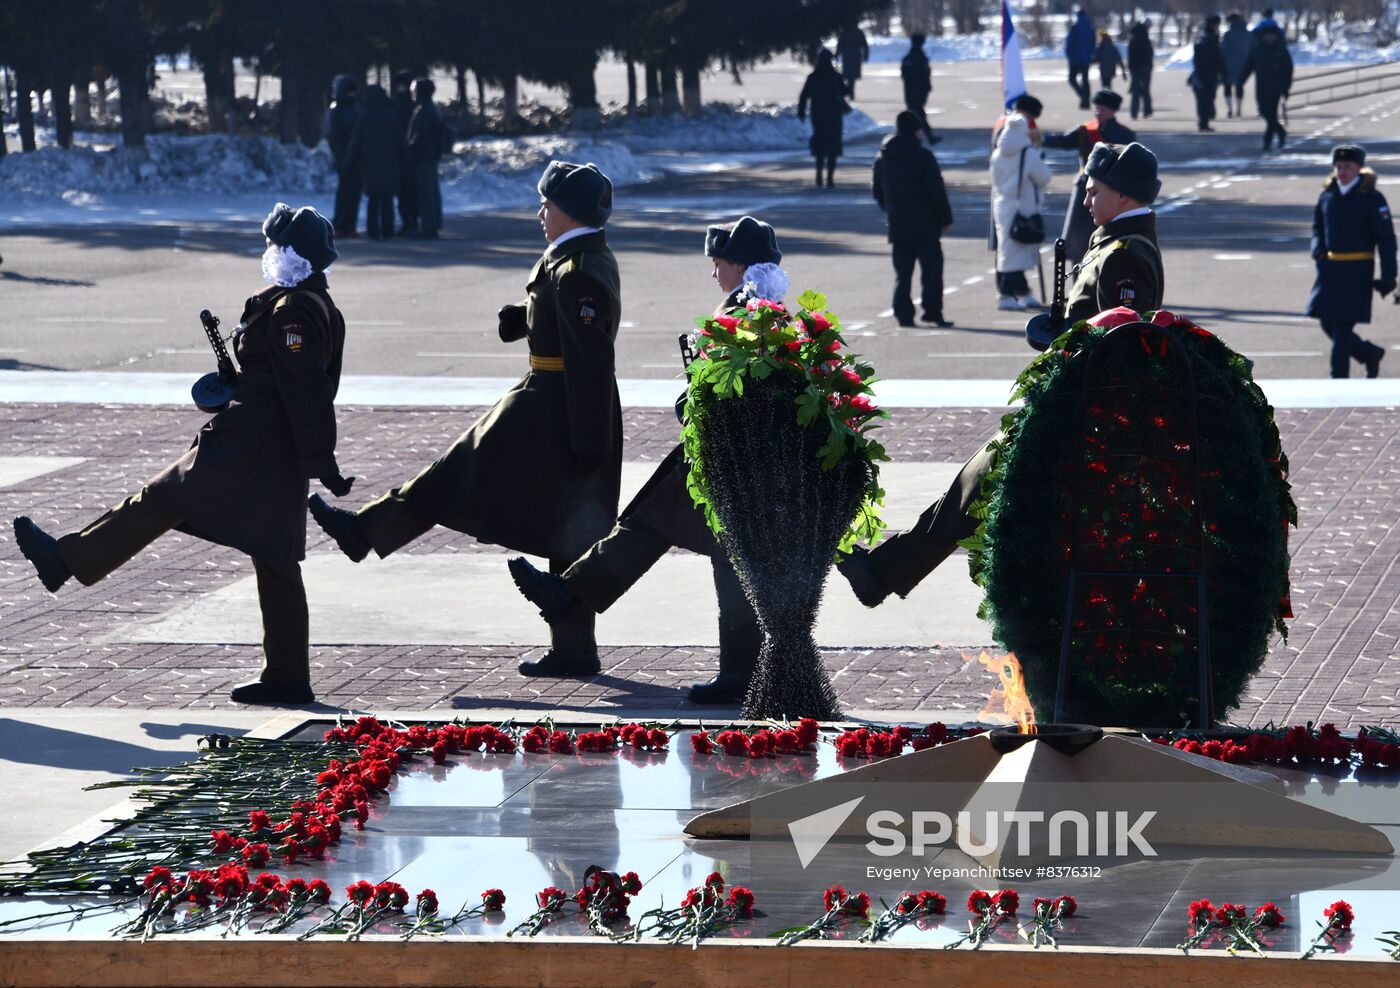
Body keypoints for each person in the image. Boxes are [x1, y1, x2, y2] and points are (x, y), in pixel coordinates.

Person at [13, 205, 348, 706]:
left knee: (163, 498)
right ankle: (287, 677)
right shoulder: (296, 302)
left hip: (251, 445)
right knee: (274, 556)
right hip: (266, 445)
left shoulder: (294, 310)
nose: (269, 253)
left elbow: (306, 392)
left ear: (293, 254)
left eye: (276, 247)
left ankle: (68, 559)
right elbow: (285, 382)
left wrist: (324, 462)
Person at [308, 161, 622, 678]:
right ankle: (573, 649)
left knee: (463, 476)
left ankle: (364, 532)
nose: (540, 212)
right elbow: (567, 320)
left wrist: (590, 439)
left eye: (548, 204)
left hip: (557, 404)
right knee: (561, 522)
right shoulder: (576, 258)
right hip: (553, 400)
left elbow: (590, 358)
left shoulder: (579, 270)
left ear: (570, 212)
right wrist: (524, 318)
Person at [836, 142, 1165, 607]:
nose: (1087, 200)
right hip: (1076, 402)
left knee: (983, 482)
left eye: (1094, 191)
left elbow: (1125, 346)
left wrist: (1067, 341)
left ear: (1125, 197)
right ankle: (882, 572)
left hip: (1087, 413)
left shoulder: (1125, 254)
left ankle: (881, 574)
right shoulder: (1115, 243)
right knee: (977, 479)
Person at [508, 217, 784, 703]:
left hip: (729, 463)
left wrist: (691, 396)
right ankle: (738, 672)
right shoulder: (766, 304)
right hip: (735, 460)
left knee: (657, 530)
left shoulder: (744, 310)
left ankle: (568, 596)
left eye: (717, 263)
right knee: (664, 534)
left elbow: (730, 392)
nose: (714, 272)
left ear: (738, 264)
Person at [1306, 145, 1396, 379]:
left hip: (1357, 271)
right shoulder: (1328, 195)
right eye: (1338, 166)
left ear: (1359, 168)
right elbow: (1318, 228)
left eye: (1348, 167)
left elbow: (1386, 239)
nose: (1342, 171)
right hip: (1330, 270)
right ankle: (1369, 354)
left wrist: (1389, 276)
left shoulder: (1372, 198)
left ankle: (1339, 380)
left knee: (1342, 327)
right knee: (1327, 323)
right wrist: (1318, 250)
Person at [874, 110, 954, 328]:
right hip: (926, 224)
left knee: (903, 273)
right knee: (931, 272)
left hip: (898, 224)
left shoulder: (883, 157)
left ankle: (903, 314)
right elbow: (936, 191)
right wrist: (945, 217)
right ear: (916, 130)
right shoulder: (923, 156)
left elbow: (877, 190)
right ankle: (932, 311)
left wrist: (890, 210)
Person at [1041, 88, 1136, 264]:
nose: (1097, 112)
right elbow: (1063, 141)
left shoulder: (1125, 134)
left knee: (1108, 232)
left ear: (1112, 110)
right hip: (1085, 188)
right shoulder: (1085, 130)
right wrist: (1040, 138)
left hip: (1111, 189)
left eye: (1102, 109)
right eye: (1096, 108)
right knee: (1076, 236)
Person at [991, 95, 1051, 311]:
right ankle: (1007, 295)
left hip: (1003, 205)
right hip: (1023, 207)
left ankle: (1024, 293)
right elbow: (1044, 177)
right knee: (1016, 254)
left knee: (1009, 250)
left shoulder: (998, 153)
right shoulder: (1028, 153)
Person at [348, 84, 409, 241]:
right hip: (390, 163)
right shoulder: (391, 116)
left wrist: (351, 161)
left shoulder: (364, 117)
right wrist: (404, 159)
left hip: (369, 164)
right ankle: (388, 230)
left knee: (373, 199)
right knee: (387, 199)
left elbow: (356, 143)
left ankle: (373, 230)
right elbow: (401, 141)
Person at [797, 50, 850, 189]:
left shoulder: (812, 77)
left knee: (820, 144)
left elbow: (803, 96)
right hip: (834, 115)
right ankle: (830, 178)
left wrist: (801, 111)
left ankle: (819, 175)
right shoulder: (835, 76)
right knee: (833, 145)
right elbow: (845, 92)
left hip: (818, 115)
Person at [1240, 23, 1293, 150]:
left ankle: (1267, 140)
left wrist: (1286, 88)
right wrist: (1240, 80)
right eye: (1266, 35)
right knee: (1264, 112)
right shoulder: (1258, 50)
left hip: (1276, 87)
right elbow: (1249, 66)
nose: (1269, 38)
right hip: (1261, 87)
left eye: (1271, 35)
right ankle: (1281, 132)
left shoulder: (1281, 51)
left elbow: (1288, 70)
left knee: (1272, 113)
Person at [406, 78, 447, 239]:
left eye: (414, 90)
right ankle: (432, 224)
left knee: (426, 193)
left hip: (423, 156)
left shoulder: (424, 110)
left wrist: (410, 148)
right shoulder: (432, 109)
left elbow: (420, 136)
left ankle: (428, 227)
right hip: (431, 155)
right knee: (431, 191)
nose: (412, 93)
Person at [324, 74, 360, 238]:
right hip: (343, 158)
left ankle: (350, 225)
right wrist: (341, 158)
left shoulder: (355, 108)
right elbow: (334, 137)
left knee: (355, 193)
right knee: (344, 192)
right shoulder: (335, 109)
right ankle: (340, 224)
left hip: (355, 158)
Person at [391, 70, 420, 237]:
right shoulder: (395, 104)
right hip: (400, 154)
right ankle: (407, 220)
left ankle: (413, 220)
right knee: (402, 192)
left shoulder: (413, 105)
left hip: (411, 154)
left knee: (412, 191)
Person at [900, 33, 935, 141]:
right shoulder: (918, 57)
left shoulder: (910, 57)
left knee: (915, 113)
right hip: (916, 89)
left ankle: (914, 136)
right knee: (916, 113)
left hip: (912, 89)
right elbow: (922, 74)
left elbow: (904, 74)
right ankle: (924, 136)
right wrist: (926, 84)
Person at [1191, 15, 1223, 132]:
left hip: (1200, 71)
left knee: (1202, 98)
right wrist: (1222, 70)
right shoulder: (1211, 38)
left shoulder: (1201, 35)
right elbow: (1217, 57)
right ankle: (1204, 122)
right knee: (1207, 98)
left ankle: (1203, 121)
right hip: (1209, 73)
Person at [1221, 12, 1251, 118]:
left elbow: (1223, 50)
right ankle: (1239, 108)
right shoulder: (1247, 33)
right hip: (1244, 64)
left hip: (1229, 64)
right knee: (1239, 86)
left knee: (1227, 86)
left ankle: (1230, 109)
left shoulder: (1228, 34)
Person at [1065, 10, 1096, 110]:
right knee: (1085, 80)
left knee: (1072, 79)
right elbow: (1093, 44)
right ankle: (1086, 102)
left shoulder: (1074, 28)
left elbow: (1069, 44)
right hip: (1086, 59)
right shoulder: (1090, 28)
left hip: (1075, 59)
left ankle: (1083, 96)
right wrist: (1091, 55)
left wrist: (1069, 55)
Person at [1127, 20, 1154, 119]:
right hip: (1146, 67)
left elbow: (1130, 55)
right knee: (1146, 90)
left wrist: (1130, 67)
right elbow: (1150, 53)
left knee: (1135, 91)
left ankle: (1134, 112)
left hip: (1135, 68)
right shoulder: (1146, 38)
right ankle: (1147, 110)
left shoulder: (1132, 39)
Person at [836, 21, 869, 99]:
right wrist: (865, 55)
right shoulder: (858, 32)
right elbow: (864, 45)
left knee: (847, 75)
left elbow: (840, 45)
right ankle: (850, 91)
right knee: (852, 76)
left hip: (847, 56)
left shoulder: (844, 32)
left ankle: (848, 91)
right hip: (855, 56)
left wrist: (837, 55)